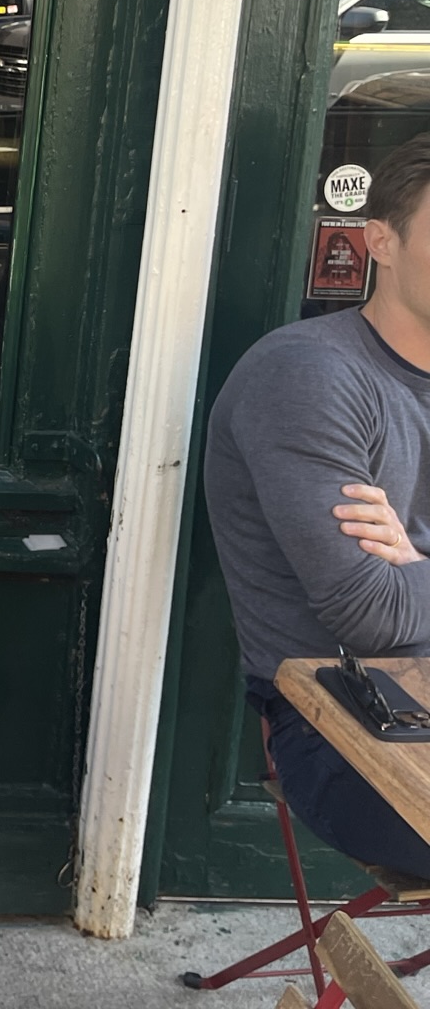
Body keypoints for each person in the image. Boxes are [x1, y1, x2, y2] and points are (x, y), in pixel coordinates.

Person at [206, 134, 430, 876]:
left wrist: (416, 566)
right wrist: (403, 577)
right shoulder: (310, 374)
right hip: (351, 731)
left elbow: (404, 594)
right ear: (380, 242)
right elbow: (374, 614)